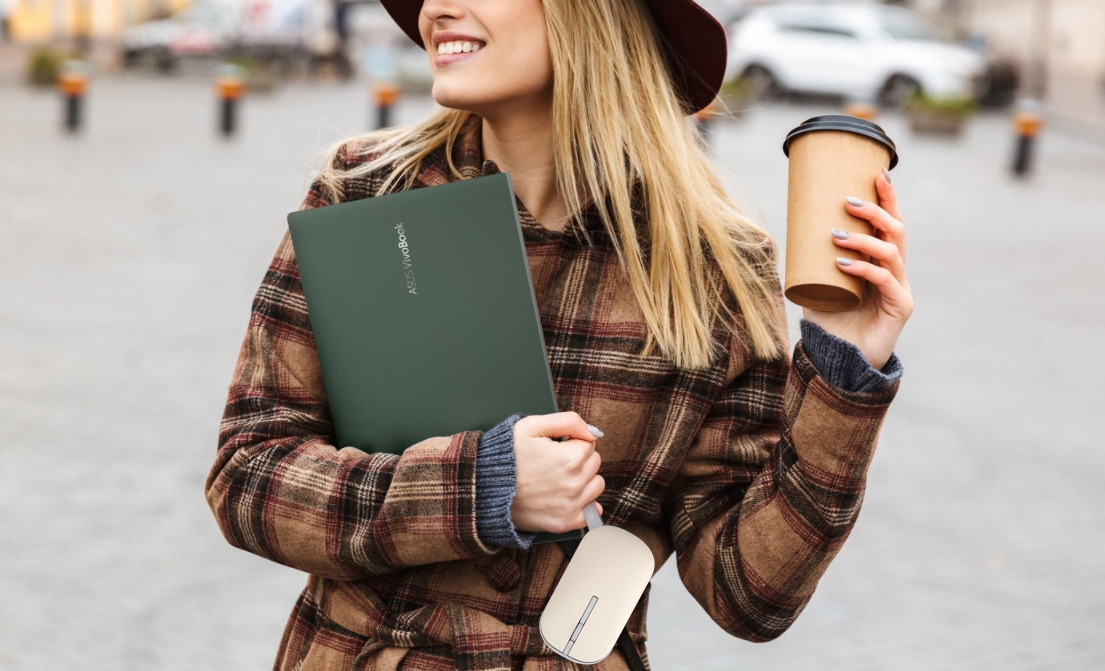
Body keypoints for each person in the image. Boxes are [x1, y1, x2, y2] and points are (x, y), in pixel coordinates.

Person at [205, 0, 913, 669]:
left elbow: (748, 593)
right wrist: (478, 488)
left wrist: (842, 363)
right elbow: (247, 473)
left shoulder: (714, 264)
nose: (434, 9)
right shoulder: (365, 194)